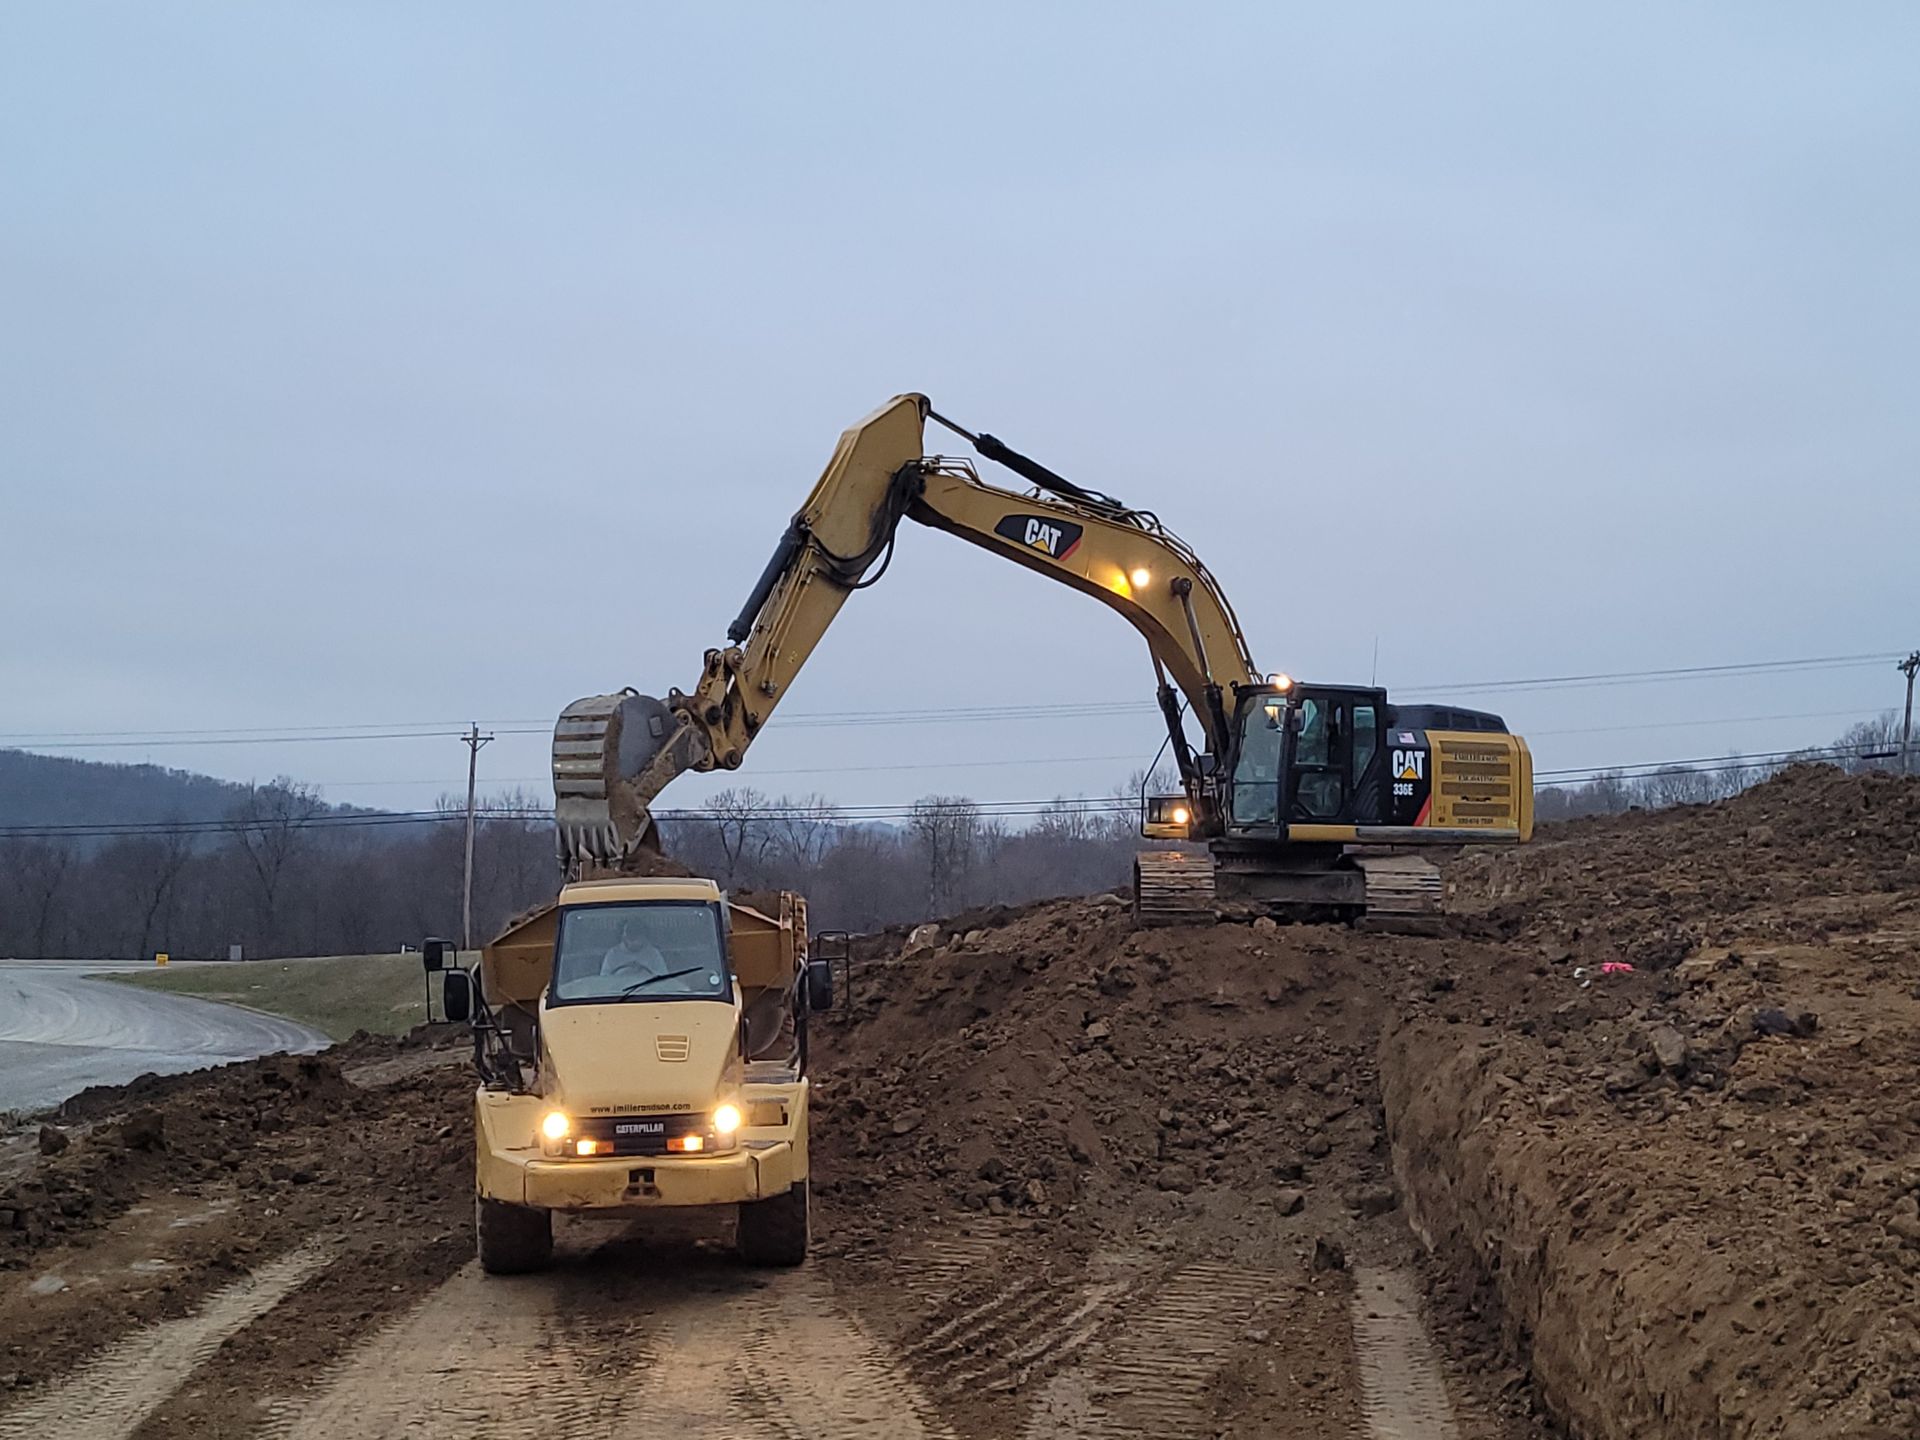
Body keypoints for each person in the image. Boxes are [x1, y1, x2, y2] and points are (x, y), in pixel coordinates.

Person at [601, 917, 669, 981]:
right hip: (619, 992)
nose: (633, 938)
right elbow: (604, 981)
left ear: (644, 936)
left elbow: (663, 980)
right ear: (623, 936)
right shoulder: (613, 954)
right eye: (630, 933)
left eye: (637, 933)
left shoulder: (654, 954)